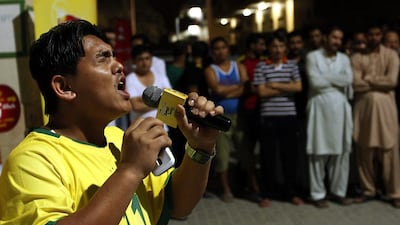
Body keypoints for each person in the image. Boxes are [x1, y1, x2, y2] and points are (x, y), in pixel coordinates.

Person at [0, 20, 222, 225]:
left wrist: (200, 148)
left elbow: (178, 206)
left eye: (115, 56)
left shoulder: (120, 140)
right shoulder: (32, 160)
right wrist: (131, 170)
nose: (119, 66)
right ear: (64, 87)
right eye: (103, 58)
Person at [351, 23, 400, 208]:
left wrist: (369, 80)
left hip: (386, 110)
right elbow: (355, 84)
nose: (373, 38)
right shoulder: (357, 57)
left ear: (381, 35)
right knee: (365, 151)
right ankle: (368, 190)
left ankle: (394, 192)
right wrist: (380, 83)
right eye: (370, 34)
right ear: (365, 36)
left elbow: (392, 81)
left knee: (389, 151)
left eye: (377, 34)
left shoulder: (392, 55)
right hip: (364, 111)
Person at [253, 32, 303, 207]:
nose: (277, 49)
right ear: (268, 48)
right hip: (268, 118)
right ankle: (266, 193)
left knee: (290, 157)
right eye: (274, 46)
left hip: (289, 117)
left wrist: (273, 85)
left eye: (281, 46)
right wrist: (286, 88)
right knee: (268, 158)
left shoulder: (292, 66)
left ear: (285, 48)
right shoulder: (261, 66)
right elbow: (261, 92)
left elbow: (298, 87)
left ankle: (291, 192)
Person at [305, 26, 353, 208]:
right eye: (334, 37)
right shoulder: (312, 56)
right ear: (326, 37)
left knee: (340, 153)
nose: (337, 42)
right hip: (319, 110)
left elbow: (348, 80)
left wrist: (326, 77)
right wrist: (336, 80)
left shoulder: (345, 58)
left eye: (340, 39)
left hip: (341, 110)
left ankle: (338, 192)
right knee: (318, 153)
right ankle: (318, 194)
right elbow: (315, 82)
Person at [205, 36, 248, 202]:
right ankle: (226, 189)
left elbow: (246, 88)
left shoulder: (238, 66)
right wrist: (238, 88)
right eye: (217, 48)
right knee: (222, 156)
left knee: (245, 151)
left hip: (240, 115)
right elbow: (217, 90)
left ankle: (249, 186)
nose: (220, 51)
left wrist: (227, 90)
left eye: (223, 47)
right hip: (220, 117)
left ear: (228, 49)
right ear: (212, 52)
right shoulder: (210, 70)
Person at [235, 33, 266, 201]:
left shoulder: (264, 61)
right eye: (260, 44)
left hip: (263, 110)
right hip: (248, 111)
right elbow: (248, 87)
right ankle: (249, 186)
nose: (263, 47)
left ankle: (257, 184)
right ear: (252, 46)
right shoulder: (242, 63)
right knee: (247, 151)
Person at [126, 45, 171, 130]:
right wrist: (160, 101)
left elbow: (170, 99)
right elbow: (135, 106)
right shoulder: (130, 79)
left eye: (147, 58)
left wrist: (143, 99)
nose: (144, 62)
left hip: (162, 128)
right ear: (134, 61)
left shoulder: (161, 76)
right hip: (140, 130)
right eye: (140, 59)